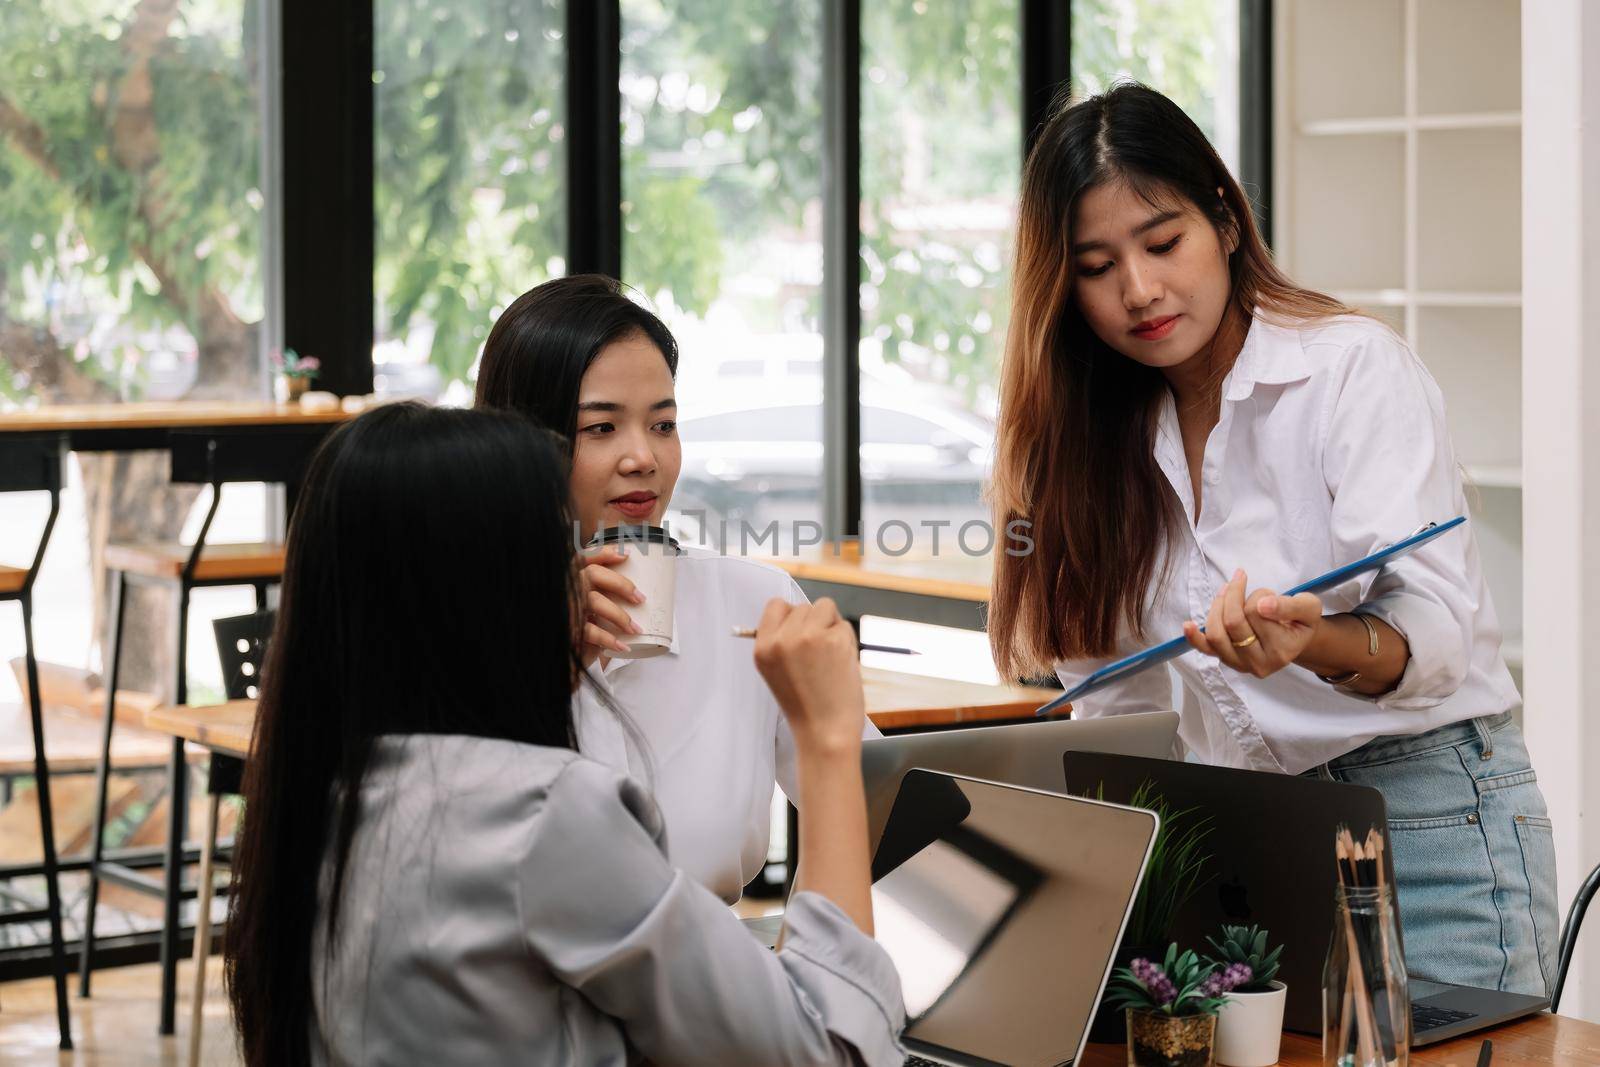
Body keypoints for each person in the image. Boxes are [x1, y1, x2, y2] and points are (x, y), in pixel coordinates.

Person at [986, 83, 1556, 996]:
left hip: (1417, 812)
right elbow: (1115, 712)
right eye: (1096, 266)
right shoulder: (1083, 443)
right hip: (1229, 835)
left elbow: (1437, 635)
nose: (1141, 290)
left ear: (1222, 216)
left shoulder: (1348, 370)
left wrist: (1314, 641)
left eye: (1163, 242)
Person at [224, 403, 905, 1067]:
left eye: (663, 423)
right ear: (489, 590)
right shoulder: (543, 815)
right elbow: (833, 1048)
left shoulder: (323, 792)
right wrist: (829, 739)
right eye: (555, 552)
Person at [475, 274, 878, 902]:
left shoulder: (752, 604)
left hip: (711, 985)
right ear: (520, 441)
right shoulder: (464, 623)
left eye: (663, 425)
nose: (644, 458)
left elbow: (885, 820)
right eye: (600, 428)